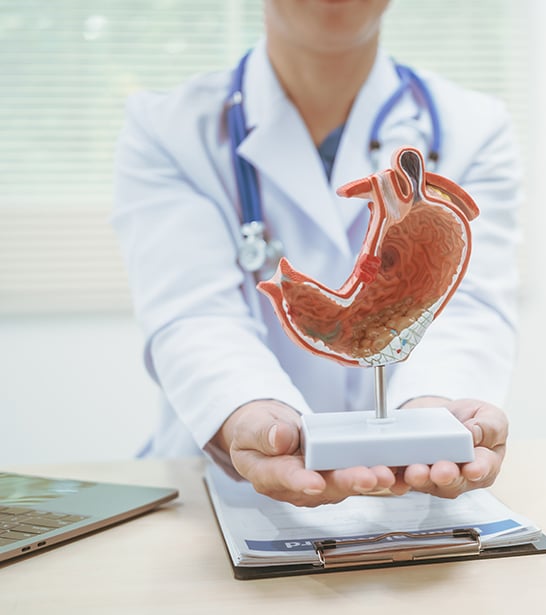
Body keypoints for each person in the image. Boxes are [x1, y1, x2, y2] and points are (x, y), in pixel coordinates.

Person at [112, 0, 521, 507]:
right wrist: (251, 411)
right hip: (223, 496)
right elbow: (192, 313)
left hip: (421, 503)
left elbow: (468, 307)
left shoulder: (475, 127)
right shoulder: (167, 129)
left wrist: (435, 413)